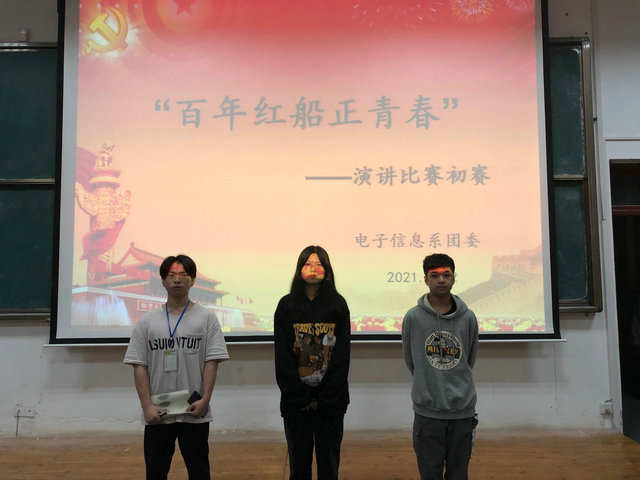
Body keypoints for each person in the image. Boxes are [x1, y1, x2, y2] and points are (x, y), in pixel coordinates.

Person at [124, 254, 229, 480]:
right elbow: (139, 365)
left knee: (199, 471)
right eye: (171, 275)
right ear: (162, 281)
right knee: (155, 471)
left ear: (193, 280)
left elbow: (212, 362)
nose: (177, 279)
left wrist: (205, 400)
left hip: (194, 408)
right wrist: (147, 406)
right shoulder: (147, 322)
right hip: (159, 411)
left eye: (183, 275)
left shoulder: (207, 319)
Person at [274, 245, 351, 480]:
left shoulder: (338, 305)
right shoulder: (286, 305)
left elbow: (342, 357)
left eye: (319, 264)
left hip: (331, 403)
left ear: (327, 271)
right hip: (296, 403)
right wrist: (301, 398)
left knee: (329, 467)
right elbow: (282, 357)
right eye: (308, 264)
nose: (313, 269)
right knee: (299, 467)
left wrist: (325, 398)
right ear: (299, 270)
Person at [402, 253, 479, 480]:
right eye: (434, 275)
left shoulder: (468, 317)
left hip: (462, 411)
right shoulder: (413, 317)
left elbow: (469, 359)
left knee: (459, 473)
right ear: (425, 279)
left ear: (454, 278)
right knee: (430, 473)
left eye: (447, 275)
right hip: (428, 411)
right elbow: (411, 360)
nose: (441, 280)